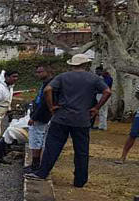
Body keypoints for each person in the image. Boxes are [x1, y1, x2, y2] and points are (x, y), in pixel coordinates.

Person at [25, 54, 112, 187]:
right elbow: (107, 91)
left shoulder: (63, 76)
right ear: (86, 65)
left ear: (72, 65)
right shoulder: (93, 78)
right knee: (81, 151)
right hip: (82, 119)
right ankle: (80, 181)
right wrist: (96, 108)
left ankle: (42, 173)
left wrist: (51, 107)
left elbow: (48, 89)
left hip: (61, 117)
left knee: (52, 147)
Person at [26, 65, 54, 173]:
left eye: (40, 72)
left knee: (36, 139)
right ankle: (35, 163)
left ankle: (35, 165)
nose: (37, 74)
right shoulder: (46, 83)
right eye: (36, 72)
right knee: (38, 139)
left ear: (48, 71)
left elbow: (44, 104)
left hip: (42, 116)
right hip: (41, 114)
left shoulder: (49, 85)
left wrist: (34, 117)